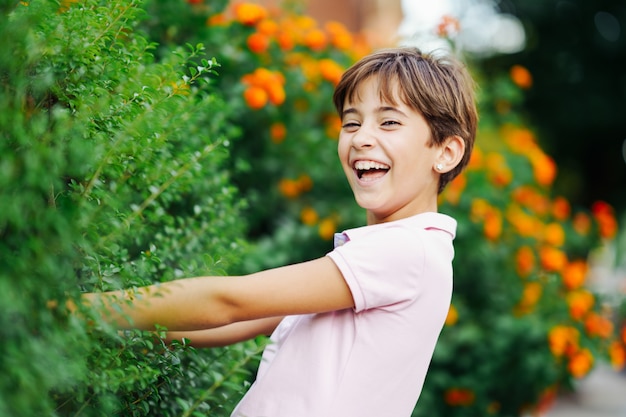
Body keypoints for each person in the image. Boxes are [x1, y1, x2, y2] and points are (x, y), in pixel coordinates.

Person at [80, 46, 478, 417]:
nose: (361, 138)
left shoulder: (407, 250)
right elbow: (235, 324)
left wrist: (78, 313)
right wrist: (122, 333)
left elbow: (228, 302)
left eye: (389, 122)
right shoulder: (397, 254)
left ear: (445, 152)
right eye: (351, 122)